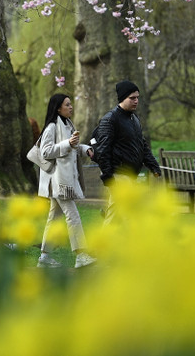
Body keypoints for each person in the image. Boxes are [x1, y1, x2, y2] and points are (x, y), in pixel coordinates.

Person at [35, 93, 96, 269]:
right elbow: (45, 152)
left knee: (53, 218)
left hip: (63, 179)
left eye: (70, 104)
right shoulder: (52, 127)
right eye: (67, 105)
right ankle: (81, 255)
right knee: (73, 215)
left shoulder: (67, 124)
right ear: (58, 108)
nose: (71, 107)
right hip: (57, 180)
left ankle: (45, 257)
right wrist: (68, 144)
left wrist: (85, 149)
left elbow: (72, 147)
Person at [89, 80, 162, 223]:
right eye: (132, 98)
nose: (136, 101)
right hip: (119, 174)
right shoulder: (110, 119)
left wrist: (153, 165)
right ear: (122, 98)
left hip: (130, 175)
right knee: (131, 212)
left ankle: (102, 243)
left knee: (114, 214)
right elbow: (103, 150)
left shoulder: (134, 118)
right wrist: (108, 177)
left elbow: (142, 145)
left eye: (137, 98)